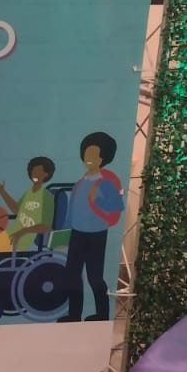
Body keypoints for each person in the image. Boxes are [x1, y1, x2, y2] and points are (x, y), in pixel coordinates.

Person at [58, 132, 124, 322]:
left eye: (94, 155)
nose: (89, 158)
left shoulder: (106, 182)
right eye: (87, 153)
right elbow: (72, 212)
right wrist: (63, 235)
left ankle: (101, 314)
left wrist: (99, 200)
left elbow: (117, 208)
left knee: (95, 277)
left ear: (103, 158)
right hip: (76, 234)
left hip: (96, 235)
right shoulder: (80, 183)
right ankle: (74, 314)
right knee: (72, 276)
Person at [0, 156, 56, 252]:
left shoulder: (47, 197)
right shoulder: (28, 193)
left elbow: (45, 226)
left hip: (24, 240)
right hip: (13, 234)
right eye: (33, 172)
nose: (34, 175)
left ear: (46, 174)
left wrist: (22, 232)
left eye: (38, 172)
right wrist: (2, 191)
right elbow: (16, 209)